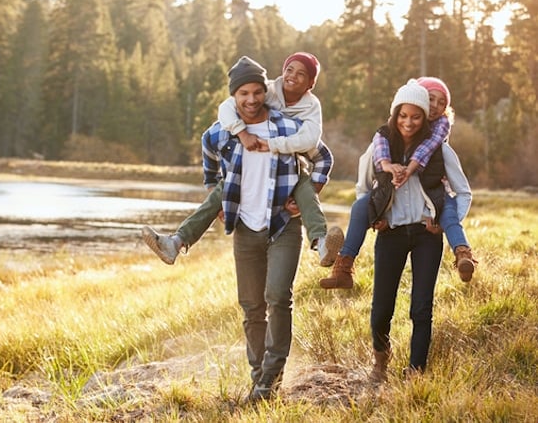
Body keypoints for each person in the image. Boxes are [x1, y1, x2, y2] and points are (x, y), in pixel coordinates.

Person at [198, 56, 334, 402]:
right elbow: (208, 151)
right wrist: (216, 192)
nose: (252, 99)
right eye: (243, 93)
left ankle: (270, 380)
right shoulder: (225, 130)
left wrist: (308, 192)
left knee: (278, 297)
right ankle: (259, 379)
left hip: (282, 224)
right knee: (251, 306)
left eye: (257, 92)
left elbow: (322, 155)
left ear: (265, 93)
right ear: (234, 96)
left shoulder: (287, 126)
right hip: (245, 226)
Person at [141, 52, 343, 267]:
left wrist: (308, 189)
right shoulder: (267, 90)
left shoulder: (311, 108)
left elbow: (313, 141)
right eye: (289, 69)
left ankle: (321, 243)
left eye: (301, 74)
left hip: (290, 167)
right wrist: (242, 133)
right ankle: (175, 243)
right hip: (248, 167)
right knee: (221, 191)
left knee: (305, 189)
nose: (292, 76)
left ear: (311, 83)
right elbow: (226, 108)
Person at [319, 76, 477, 289]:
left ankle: (463, 254)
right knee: (359, 207)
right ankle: (344, 265)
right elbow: (368, 172)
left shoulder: (439, 133)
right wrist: (377, 212)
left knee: (448, 211)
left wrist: (409, 169)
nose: (436, 107)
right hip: (392, 203)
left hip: (433, 194)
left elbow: (429, 151)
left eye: (442, 103)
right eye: (431, 99)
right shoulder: (386, 134)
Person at [361, 80, 471, 381]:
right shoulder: (381, 146)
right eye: (403, 115)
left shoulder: (440, 151)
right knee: (382, 306)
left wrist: (443, 221)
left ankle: (416, 371)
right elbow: (363, 188)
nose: (409, 121)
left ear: (425, 116)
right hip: (391, 233)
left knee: (421, 307)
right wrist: (375, 218)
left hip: (426, 236)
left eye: (418, 115)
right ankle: (380, 362)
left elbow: (463, 192)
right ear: (396, 114)